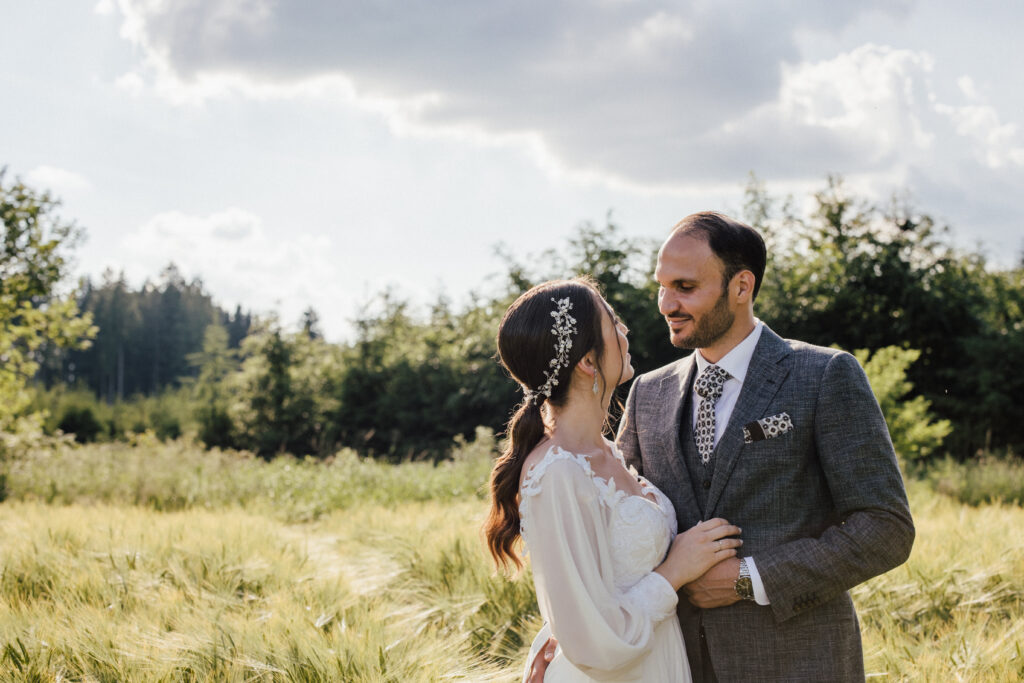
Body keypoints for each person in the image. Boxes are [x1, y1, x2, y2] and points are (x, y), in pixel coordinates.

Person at [531, 212, 915, 681]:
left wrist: (749, 579)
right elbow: (614, 523)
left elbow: (886, 527)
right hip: (673, 663)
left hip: (798, 663)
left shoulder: (824, 375)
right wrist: (571, 633)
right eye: (662, 286)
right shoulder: (648, 393)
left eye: (685, 287)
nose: (666, 304)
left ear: (741, 287)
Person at [484, 277, 744, 682]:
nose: (626, 331)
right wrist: (676, 570)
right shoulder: (557, 473)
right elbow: (595, 640)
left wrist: (563, 629)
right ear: (588, 361)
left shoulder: (609, 451)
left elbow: (594, 589)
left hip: (657, 661)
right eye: (614, 322)